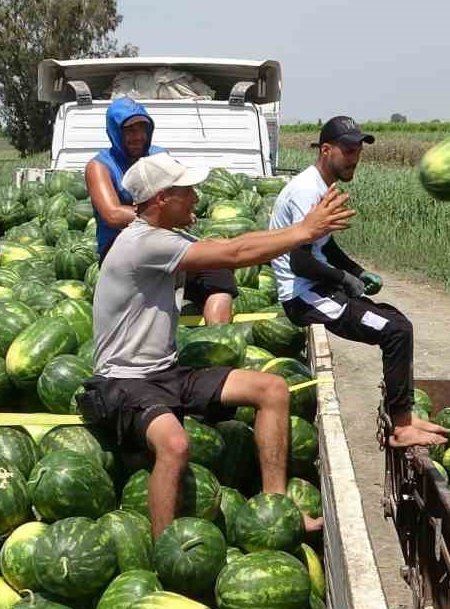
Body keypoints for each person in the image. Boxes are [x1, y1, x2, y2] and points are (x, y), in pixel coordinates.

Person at [77, 152, 354, 538]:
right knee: (174, 445)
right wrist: (304, 232)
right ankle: (165, 548)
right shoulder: (143, 244)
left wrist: (299, 230)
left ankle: (277, 507)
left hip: (164, 371)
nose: (196, 196)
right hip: (124, 381)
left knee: (272, 389)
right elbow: (234, 254)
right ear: (161, 199)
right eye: (187, 190)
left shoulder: (165, 237)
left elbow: (233, 243)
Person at [270, 116, 449, 448]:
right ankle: (401, 427)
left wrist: (356, 270)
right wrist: (344, 279)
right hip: (304, 296)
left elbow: (324, 246)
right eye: (348, 150)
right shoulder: (307, 191)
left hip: (319, 289)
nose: (355, 158)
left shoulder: (321, 186)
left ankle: (405, 416)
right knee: (394, 331)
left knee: (396, 320)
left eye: (358, 151)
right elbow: (301, 260)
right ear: (326, 150)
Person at [86, 97, 235, 325]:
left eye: (142, 128)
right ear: (115, 132)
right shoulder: (99, 166)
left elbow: (179, 192)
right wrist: (161, 212)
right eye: (129, 130)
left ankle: (219, 340)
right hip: (121, 250)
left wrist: (178, 212)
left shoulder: (158, 155)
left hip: (163, 241)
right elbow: (113, 214)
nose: (138, 136)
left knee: (218, 269)